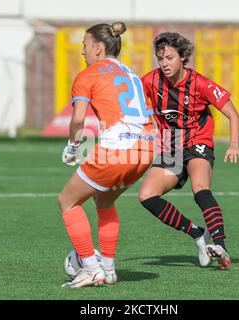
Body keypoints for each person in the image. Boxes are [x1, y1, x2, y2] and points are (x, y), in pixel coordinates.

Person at [58, 22, 155, 288]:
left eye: (85, 46)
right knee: (104, 201)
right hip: (147, 148)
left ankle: (90, 267)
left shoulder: (88, 74)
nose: (83, 52)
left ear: (99, 48)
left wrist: (72, 147)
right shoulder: (131, 72)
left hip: (118, 149)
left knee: (67, 201)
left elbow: (78, 120)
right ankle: (109, 269)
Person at [138, 32, 239, 269]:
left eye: (170, 58)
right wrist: (146, 128)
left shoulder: (201, 84)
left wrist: (234, 144)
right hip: (171, 145)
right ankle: (198, 234)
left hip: (198, 141)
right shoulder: (149, 81)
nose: (164, 64)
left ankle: (221, 245)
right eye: (160, 58)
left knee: (200, 189)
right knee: (146, 196)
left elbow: (233, 115)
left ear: (183, 58)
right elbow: (135, 106)